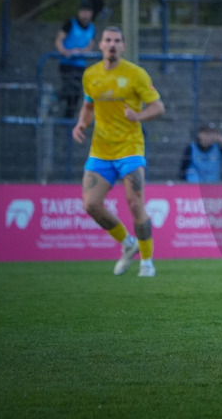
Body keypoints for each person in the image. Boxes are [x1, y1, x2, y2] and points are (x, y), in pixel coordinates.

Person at [72, 27, 165, 277]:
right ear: (100, 45)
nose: (112, 44)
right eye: (108, 40)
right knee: (91, 204)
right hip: (100, 151)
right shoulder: (90, 75)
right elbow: (88, 105)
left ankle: (147, 261)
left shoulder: (136, 74)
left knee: (135, 205)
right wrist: (82, 123)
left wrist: (139, 115)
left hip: (130, 148)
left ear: (123, 46)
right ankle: (128, 243)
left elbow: (158, 107)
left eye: (117, 40)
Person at [54, 3, 96, 118]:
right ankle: (51, 98)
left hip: (80, 65)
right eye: (83, 11)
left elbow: (90, 46)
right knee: (69, 89)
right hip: (67, 64)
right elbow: (59, 40)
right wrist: (65, 51)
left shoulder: (92, 28)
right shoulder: (70, 23)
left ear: (91, 14)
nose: (85, 15)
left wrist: (81, 51)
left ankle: (68, 120)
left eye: (87, 12)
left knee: (76, 94)